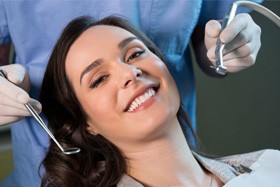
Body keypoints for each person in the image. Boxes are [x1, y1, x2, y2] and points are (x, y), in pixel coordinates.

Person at [0, 1, 262, 186]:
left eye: (136, 54)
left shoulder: (267, 167)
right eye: (99, 79)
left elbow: (211, 35)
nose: (130, 73)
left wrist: (226, 46)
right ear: (86, 124)